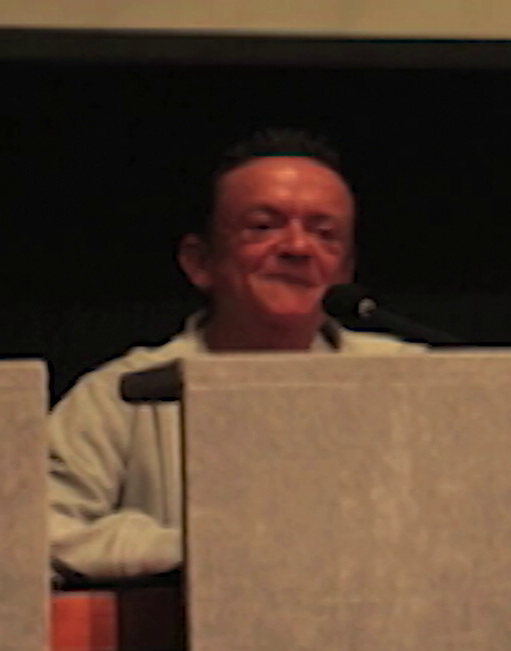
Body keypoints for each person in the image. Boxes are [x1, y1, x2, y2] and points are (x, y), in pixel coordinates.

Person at [48, 128, 421, 582]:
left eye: (325, 234)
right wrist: (202, 548)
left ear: (345, 270)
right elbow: (37, 530)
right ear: (200, 261)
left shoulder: (411, 380)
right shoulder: (122, 393)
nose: (297, 248)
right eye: (263, 227)